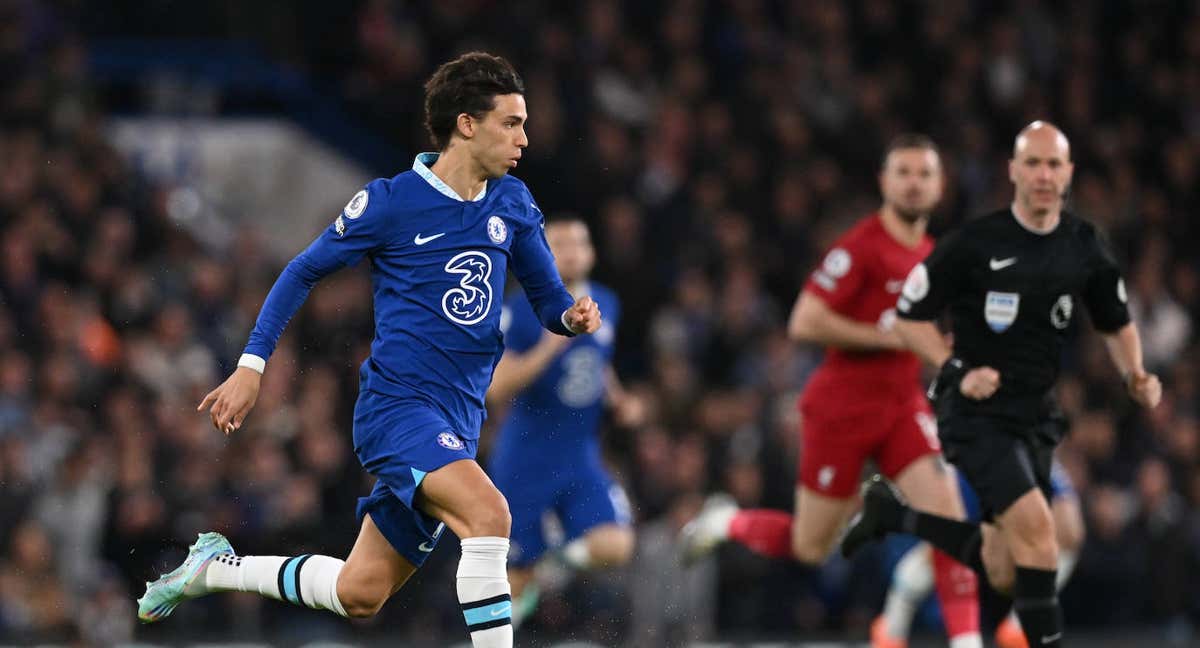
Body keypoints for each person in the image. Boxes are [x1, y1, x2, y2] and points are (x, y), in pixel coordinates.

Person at [136, 52, 602, 648]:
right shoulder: (391, 202)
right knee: (491, 517)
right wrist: (252, 365)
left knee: (361, 592)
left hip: (459, 418)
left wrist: (570, 315)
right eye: (511, 123)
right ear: (466, 124)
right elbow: (301, 271)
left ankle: (215, 570)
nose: (524, 138)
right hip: (398, 411)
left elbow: (545, 299)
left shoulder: (512, 203)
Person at [841, 121, 1161, 648]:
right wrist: (957, 370)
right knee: (1041, 532)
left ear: (1069, 174)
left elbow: (1114, 320)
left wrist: (1135, 372)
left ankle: (893, 516)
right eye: (1032, 163)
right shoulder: (973, 244)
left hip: (1035, 418)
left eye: (1053, 164)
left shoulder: (1085, 245)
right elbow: (907, 317)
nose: (1042, 174)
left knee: (1005, 565)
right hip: (974, 414)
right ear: (1012, 171)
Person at [679, 134, 982, 648]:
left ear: (940, 187)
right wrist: (883, 334)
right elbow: (805, 321)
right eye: (903, 173)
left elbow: (920, 334)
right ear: (884, 183)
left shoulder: (932, 256)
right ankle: (729, 522)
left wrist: (953, 362)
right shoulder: (860, 247)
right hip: (841, 410)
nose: (913, 184)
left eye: (924, 174)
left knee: (950, 519)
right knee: (810, 545)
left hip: (902, 407)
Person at [485, 217, 641, 626]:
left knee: (617, 545)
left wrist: (619, 399)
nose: (571, 250)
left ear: (591, 253)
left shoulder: (607, 301)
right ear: (542, 255)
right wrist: (551, 344)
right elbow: (496, 389)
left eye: (579, 242)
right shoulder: (519, 311)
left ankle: (548, 569)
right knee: (511, 598)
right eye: (560, 243)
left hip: (579, 455)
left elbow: (597, 363)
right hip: (525, 461)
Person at [877, 457, 1085, 648]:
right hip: (981, 449)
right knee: (946, 544)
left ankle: (1017, 628)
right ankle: (892, 630)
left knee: (1068, 534)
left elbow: (1070, 531)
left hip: (1020, 453)